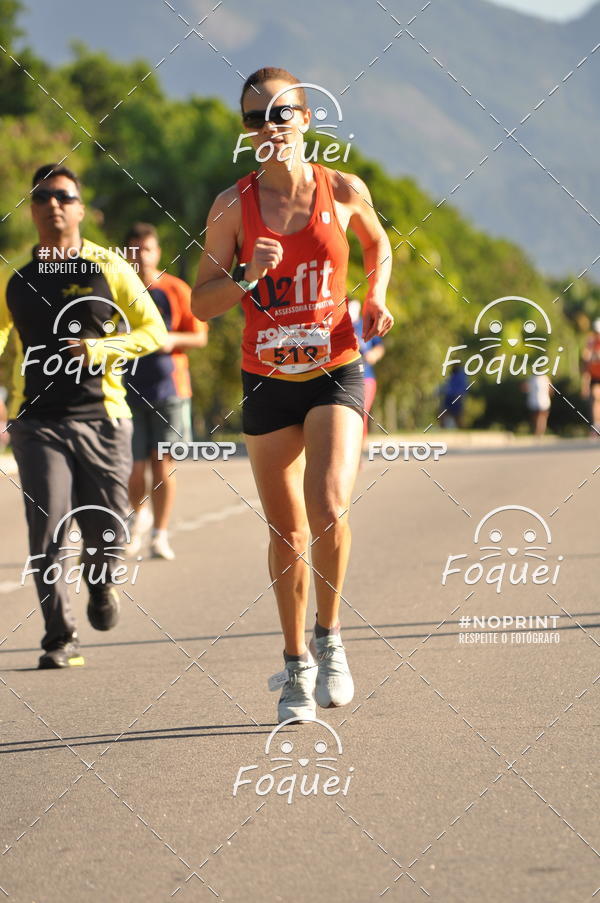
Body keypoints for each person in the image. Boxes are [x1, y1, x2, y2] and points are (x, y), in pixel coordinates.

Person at [192, 67, 393, 723]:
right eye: (255, 118)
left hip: (335, 368)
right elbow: (201, 300)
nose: (269, 127)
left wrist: (374, 294)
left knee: (329, 503)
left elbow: (379, 244)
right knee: (286, 530)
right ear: (245, 130)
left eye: (281, 113)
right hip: (267, 378)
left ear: (307, 119)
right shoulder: (232, 205)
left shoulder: (342, 188)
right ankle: (296, 664)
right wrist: (248, 277)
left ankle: (330, 637)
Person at [0, 164, 167, 669]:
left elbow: (153, 331)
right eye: (44, 196)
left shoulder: (109, 268)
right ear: (32, 209)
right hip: (37, 422)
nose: (54, 204)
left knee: (105, 527)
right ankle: (59, 637)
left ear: (79, 207)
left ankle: (101, 585)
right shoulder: (18, 279)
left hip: (103, 417)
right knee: (46, 528)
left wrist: (101, 349)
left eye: (64, 196)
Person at [124, 223, 208, 560]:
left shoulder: (175, 289)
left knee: (162, 466)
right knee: (132, 467)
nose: (141, 257)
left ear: (157, 252)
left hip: (170, 389)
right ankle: (138, 517)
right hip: (125, 391)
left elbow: (199, 336)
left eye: (147, 249)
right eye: (135, 250)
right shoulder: (117, 291)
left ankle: (160, 533)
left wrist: (170, 341)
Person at [348, 298, 385, 438]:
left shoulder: (365, 325)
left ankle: (358, 456)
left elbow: (379, 346)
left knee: (360, 415)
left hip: (366, 378)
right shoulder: (340, 326)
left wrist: (373, 355)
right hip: (343, 377)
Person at [581, 318, 600, 437]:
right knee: (595, 398)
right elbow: (585, 360)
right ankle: (596, 424)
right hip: (594, 376)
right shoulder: (591, 342)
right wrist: (584, 385)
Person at [440, 363, 467, 429]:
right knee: (443, 414)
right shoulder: (448, 371)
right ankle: (442, 430)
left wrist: (461, 396)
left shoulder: (461, 373)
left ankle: (462, 432)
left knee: (458, 416)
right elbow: (444, 384)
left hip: (457, 397)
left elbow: (464, 386)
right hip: (448, 396)